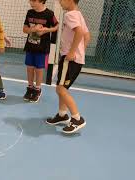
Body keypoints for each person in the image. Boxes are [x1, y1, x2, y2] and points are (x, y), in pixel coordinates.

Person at [46, 0, 91, 134]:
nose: (59, 2)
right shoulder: (78, 14)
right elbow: (87, 35)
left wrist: (72, 52)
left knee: (60, 89)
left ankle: (77, 118)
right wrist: (81, 51)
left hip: (70, 59)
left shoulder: (70, 15)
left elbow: (79, 32)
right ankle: (62, 115)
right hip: (74, 59)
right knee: (62, 88)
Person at [23, 0, 59, 102]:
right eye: (30, 1)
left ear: (42, 1)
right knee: (29, 67)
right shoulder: (30, 12)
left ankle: (38, 89)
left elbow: (56, 26)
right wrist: (33, 29)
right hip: (30, 46)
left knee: (39, 69)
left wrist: (46, 30)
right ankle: (30, 88)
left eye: (34, 1)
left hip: (42, 48)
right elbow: (25, 29)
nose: (31, 3)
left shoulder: (49, 14)